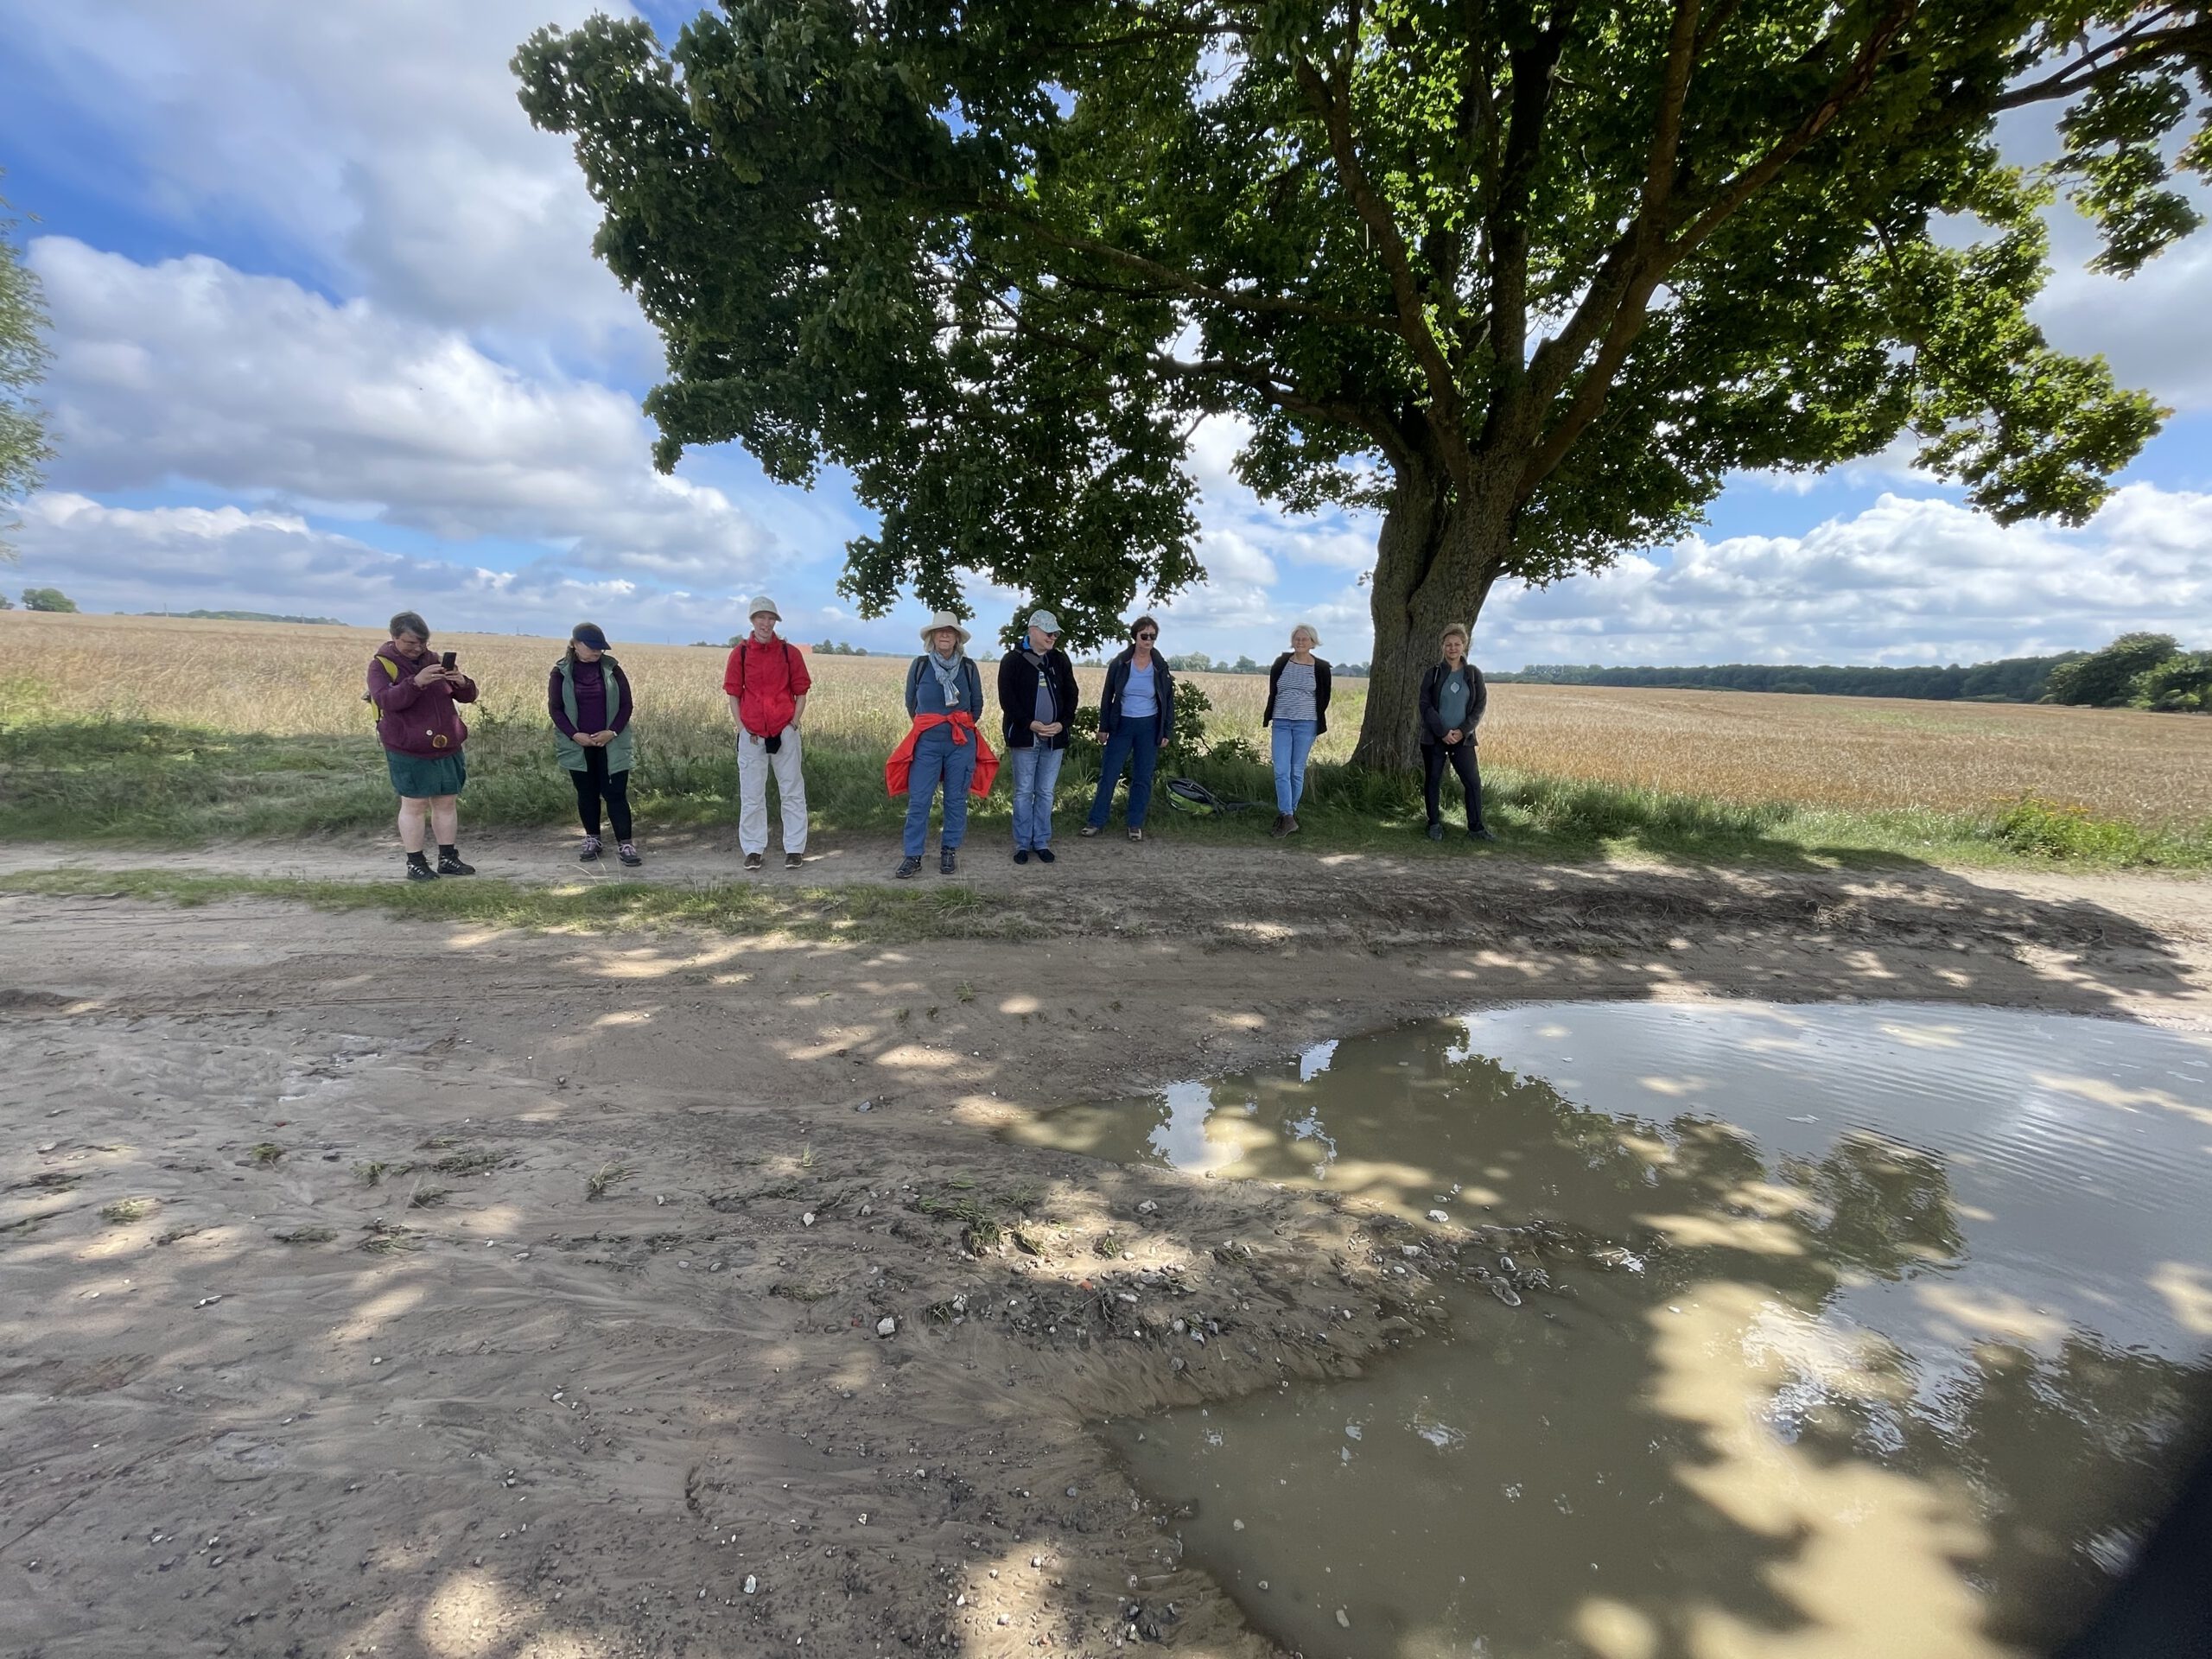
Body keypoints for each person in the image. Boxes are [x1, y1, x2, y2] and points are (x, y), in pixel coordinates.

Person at [365, 609, 479, 880]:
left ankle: (448, 858)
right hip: (408, 746)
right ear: (394, 638)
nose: (417, 649)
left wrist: (462, 683)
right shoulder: (381, 665)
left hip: (447, 744)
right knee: (414, 805)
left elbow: (467, 696)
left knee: (447, 802)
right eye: (410, 643)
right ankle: (415, 863)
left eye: (423, 643)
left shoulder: (434, 660)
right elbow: (386, 701)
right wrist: (415, 683)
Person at [886, 612, 995, 878]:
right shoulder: (920, 665)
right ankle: (913, 855)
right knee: (920, 799)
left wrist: (955, 725)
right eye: (940, 631)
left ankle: (949, 851)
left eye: (950, 631)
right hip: (927, 745)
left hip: (961, 743)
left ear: (957, 638)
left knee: (956, 800)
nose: (945, 635)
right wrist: (933, 725)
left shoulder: (969, 667)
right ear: (932, 637)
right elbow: (911, 703)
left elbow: (977, 705)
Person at [723, 597, 812, 871]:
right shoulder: (739, 654)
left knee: (792, 792)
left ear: (776, 622)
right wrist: (741, 727)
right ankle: (752, 849)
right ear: (752, 621)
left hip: (784, 732)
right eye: (761, 617)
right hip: (751, 735)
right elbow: (734, 694)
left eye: (770, 618)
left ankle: (795, 849)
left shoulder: (789, 653)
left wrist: (794, 723)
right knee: (751, 795)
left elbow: (801, 691)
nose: (766, 623)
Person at [549, 621, 639, 866]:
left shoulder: (613, 670)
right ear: (576, 644)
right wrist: (574, 734)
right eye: (593, 647)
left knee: (615, 794)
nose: (599, 652)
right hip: (578, 745)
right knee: (587, 794)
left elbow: (626, 705)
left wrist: (612, 731)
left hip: (612, 744)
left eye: (602, 647)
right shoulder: (560, 672)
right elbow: (555, 709)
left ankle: (626, 844)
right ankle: (593, 839)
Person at [1083, 614, 1176, 842]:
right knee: (1109, 774)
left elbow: (1168, 699)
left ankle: (1135, 824)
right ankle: (1096, 821)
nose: (1148, 640)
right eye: (1144, 635)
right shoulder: (1120, 663)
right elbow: (1108, 696)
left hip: (1149, 725)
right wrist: (1103, 726)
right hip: (1122, 724)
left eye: (1153, 636)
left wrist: (1166, 731)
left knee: (1142, 777)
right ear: (1135, 636)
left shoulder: (1160, 666)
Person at [997, 608, 1079, 864]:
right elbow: (1007, 699)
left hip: (1054, 738)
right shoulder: (1012, 660)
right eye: (1048, 631)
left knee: (1045, 792)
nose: (1053, 636)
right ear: (1033, 631)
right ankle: (1022, 844)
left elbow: (1071, 694)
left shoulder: (1060, 660)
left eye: (1055, 632)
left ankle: (1041, 841)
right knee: (1023, 791)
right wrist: (1030, 723)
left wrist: (1062, 724)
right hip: (1024, 737)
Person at [1419, 622, 1497, 842]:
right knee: (1433, 780)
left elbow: (1479, 706)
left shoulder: (1473, 674)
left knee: (1472, 782)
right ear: (1442, 647)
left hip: (1463, 739)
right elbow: (1425, 705)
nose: (1452, 648)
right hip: (1435, 738)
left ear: (1464, 646)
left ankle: (1476, 828)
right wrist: (1443, 731)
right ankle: (1434, 824)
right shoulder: (1433, 674)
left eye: (1457, 644)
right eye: (1448, 644)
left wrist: (1462, 731)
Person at [1261, 623, 1332, 836]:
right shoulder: (1281, 663)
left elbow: (1324, 697)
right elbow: (1274, 690)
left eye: (1305, 639)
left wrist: (1312, 718)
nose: (1300, 642)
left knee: (1296, 770)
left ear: (1312, 642)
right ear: (1292, 641)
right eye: (1297, 639)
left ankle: (1288, 816)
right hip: (1281, 721)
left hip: (1306, 724)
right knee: (1281, 770)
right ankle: (1288, 816)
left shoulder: (1320, 668)